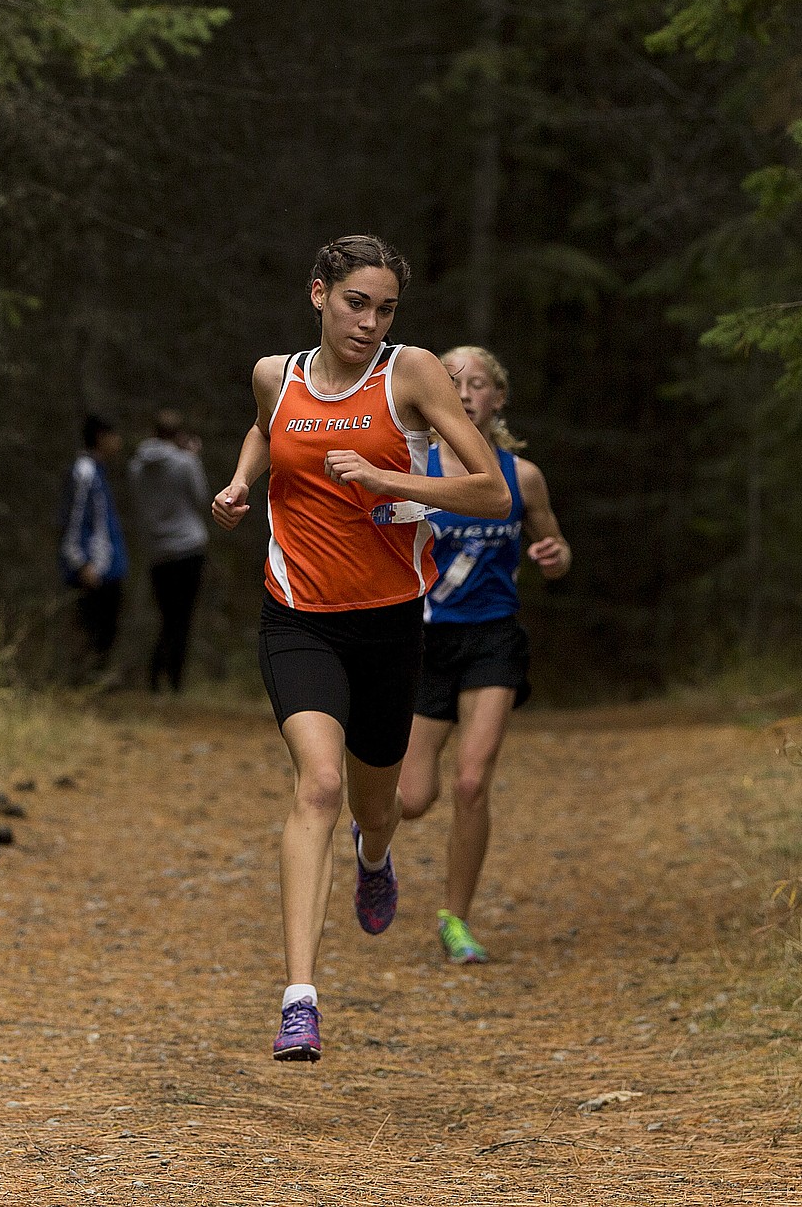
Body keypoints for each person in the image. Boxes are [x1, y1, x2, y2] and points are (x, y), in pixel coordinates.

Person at [211, 235, 511, 1062]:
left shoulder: (410, 372)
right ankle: (299, 998)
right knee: (319, 782)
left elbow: (487, 490)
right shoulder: (278, 375)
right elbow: (269, 431)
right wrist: (242, 483)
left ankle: (373, 856)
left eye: (385, 309)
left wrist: (392, 482)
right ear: (319, 294)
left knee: (376, 806)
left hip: (388, 620)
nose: (371, 322)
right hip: (298, 616)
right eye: (356, 304)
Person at [398, 346, 571, 964]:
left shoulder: (520, 476)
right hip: (424, 641)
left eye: (476, 383)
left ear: (497, 397)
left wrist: (554, 558)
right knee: (412, 800)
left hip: (493, 638)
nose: (465, 392)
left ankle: (456, 918)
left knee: (472, 780)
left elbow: (554, 545)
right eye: (451, 382)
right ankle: (372, 834)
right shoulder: (413, 467)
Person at [128, 409, 210, 692]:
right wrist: (193, 457)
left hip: (157, 551)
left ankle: (155, 675)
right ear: (178, 435)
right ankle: (174, 679)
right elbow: (201, 497)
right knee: (183, 617)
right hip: (188, 548)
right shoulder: (185, 463)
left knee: (165, 615)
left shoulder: (136, 466)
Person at [59, 414, 129, 685]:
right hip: (93, 568)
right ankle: (83, 684)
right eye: (113, 435)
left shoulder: (98, 472)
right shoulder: (84, 473)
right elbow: (73, 520)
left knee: (105, 629)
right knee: (91, 628)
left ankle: (95, 684)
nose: (118, 442)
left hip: (108, 567)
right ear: (101, 437)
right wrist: (81, 562)